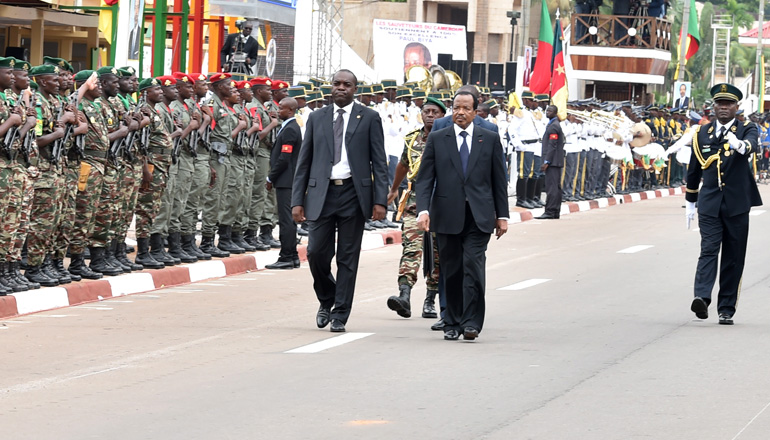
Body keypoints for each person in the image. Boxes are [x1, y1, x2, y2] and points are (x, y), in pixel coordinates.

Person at [291, 69, 388, 333]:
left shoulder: (369, 117)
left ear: (355, 89)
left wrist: (380, 201)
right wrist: (296, 201)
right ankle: (327, 298)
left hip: (353, 195)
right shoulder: (316, 117)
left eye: (347, 85)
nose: (341, 88)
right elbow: (304, 161)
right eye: (337, 84)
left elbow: (379, 162)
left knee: (347, 257)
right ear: (330, 88)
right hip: (321, 194)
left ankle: (340, 314)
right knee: (315, 253)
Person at [415, 90, 509, 341]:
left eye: (466, 108)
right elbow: (425, 179)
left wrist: (503, 215)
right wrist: (423, 211)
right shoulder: (437, 138)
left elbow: (498, 180)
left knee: (473, 266)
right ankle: (452, 322)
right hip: (446, 215)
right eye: (457, 107)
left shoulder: (488, 138)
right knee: (452, 269)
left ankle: (471, 322)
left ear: (475, 112)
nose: (460, 112)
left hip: (479, 215)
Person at [682, 83, 762, 325]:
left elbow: (751, 146)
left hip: (737, 203)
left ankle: (726, 307)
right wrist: (691, 201)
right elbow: (694, 170)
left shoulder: (747, 128)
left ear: (737, 107)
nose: (723, 107)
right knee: (708, 248)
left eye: (728, 104)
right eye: (719, 103)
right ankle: (702, 297)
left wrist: (739, 144)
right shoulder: (702, 134)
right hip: (709, 203)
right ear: (713, 107)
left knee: (733, 256)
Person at [385, 97, 444, 320]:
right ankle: (405, 296)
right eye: (426, 111)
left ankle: (430, 300)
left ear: (442, 116)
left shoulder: (447, 138)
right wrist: (393, 189)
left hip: (440, 204)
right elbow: (403, 165)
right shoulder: (412, 140)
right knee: (412, 247)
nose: (430, 115)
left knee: (437, 254)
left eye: (435, 112)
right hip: (415, 202)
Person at [265, 97, 302, 270]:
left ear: (290, 110)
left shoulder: (290, 130)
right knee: (288, 220)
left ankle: (286, 256)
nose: (278, 111)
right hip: (287, 180)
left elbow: (284, 158)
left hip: (286, 181)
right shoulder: (288, 127)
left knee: (286, 220)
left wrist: (271, 177)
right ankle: (293, 256)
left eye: (281, 109)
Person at [536, 105, 565, 219]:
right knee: (556, 187)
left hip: (553, 162)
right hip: (556, 161)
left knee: (552, 187)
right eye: (547, 110)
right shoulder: (554, 124)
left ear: (555, 113)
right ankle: (555, 211)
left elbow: (552, 145)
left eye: (550, 111)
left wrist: (546, 161)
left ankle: (550, 211)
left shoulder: (553, 126)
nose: (547, 112)